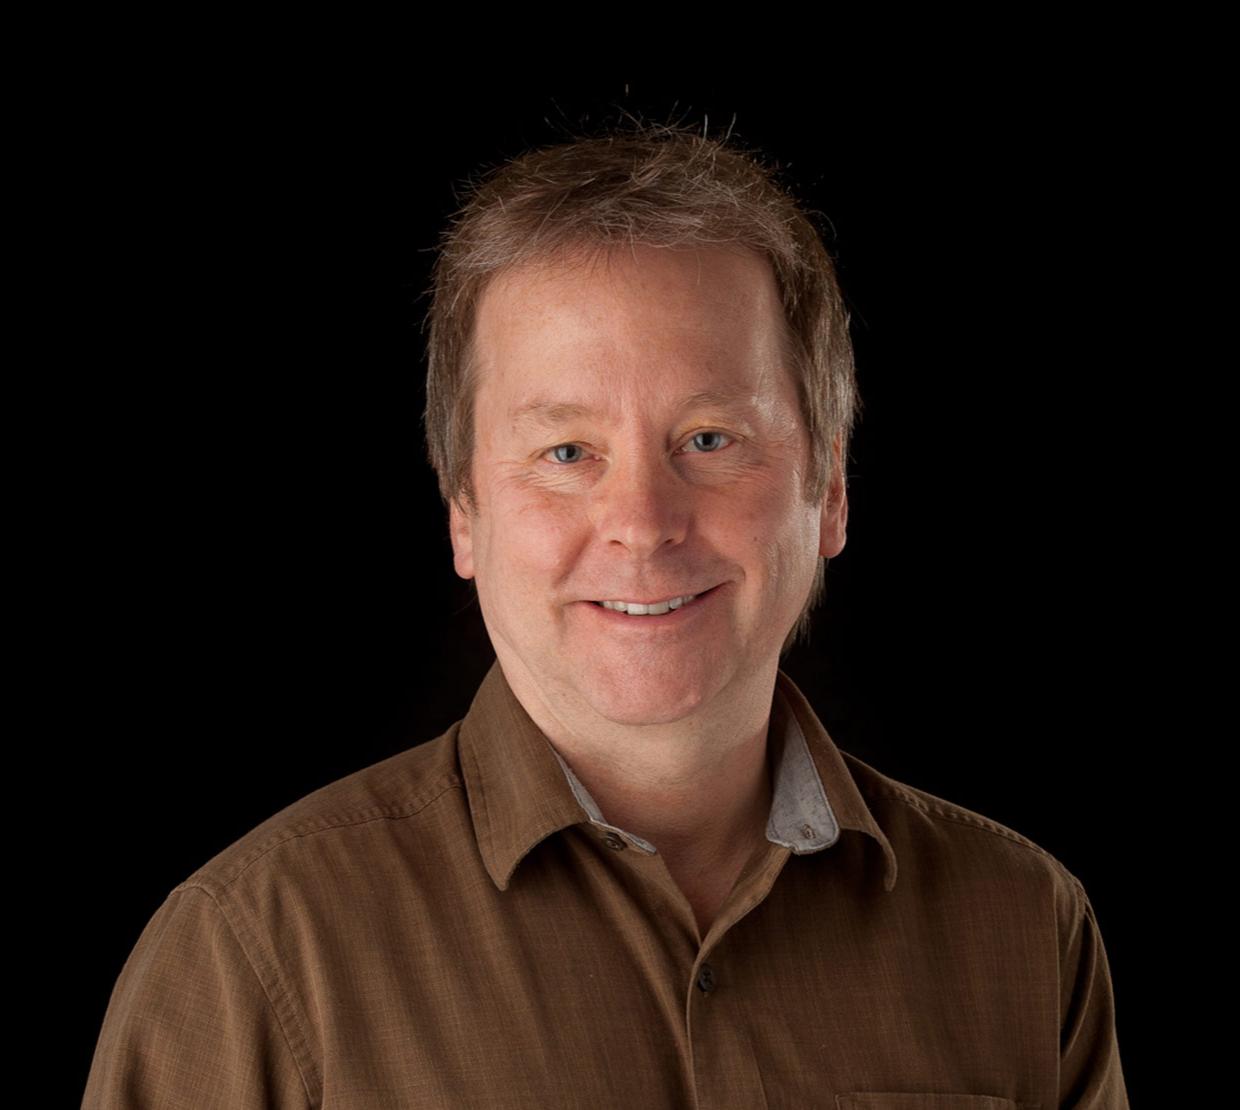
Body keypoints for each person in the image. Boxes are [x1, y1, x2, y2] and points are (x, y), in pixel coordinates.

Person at [83, 124, 1130, 1108]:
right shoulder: (253, 957)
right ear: (463, 512)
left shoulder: (1025, 930)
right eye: (566, 453)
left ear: (832, 490)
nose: (640, 524)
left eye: (710, 439)